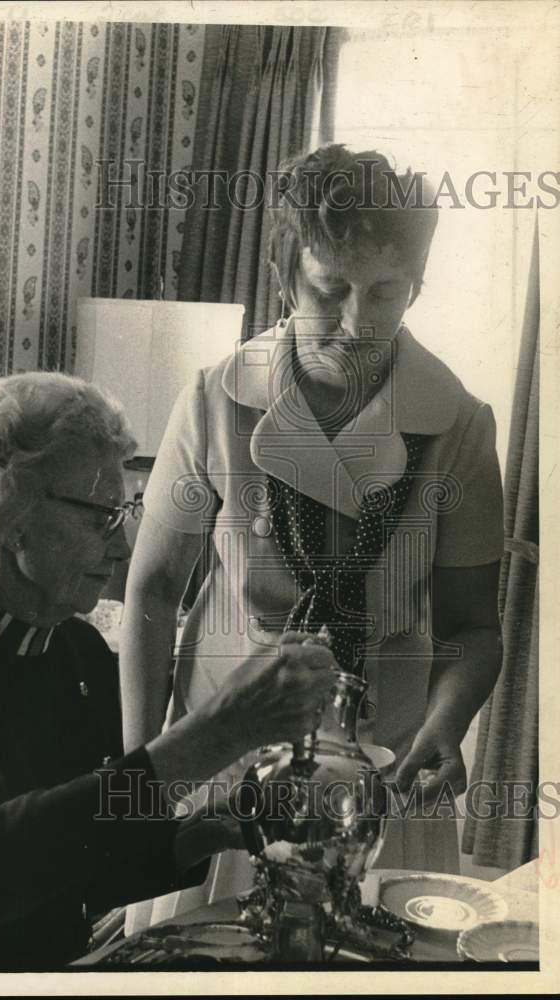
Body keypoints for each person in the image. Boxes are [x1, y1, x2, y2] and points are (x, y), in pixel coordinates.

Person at [119, 145, 505, 929]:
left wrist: (448, 724)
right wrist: (141, 770)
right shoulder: (213, 398)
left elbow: (472, 628)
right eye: (329, 290)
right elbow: (155, 590)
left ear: (416, 287)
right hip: (221, 746)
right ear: (285, 277)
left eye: (385, 291)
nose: (358, 322)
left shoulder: (460, 425)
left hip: (387, 764)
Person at [0, 372, 335, 973]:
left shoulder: (73, 648)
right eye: (101, 515)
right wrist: (219, 731)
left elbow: (76, 856)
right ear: (11, 509)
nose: (124, 547)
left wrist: (208, 830)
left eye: (125, 512)